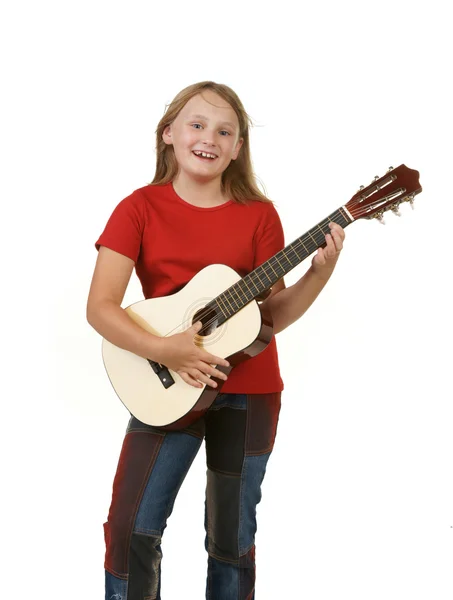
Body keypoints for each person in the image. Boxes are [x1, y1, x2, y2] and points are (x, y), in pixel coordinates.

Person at [87, 80, 345, 600]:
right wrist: (167, 350)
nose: (210, 138)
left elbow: (268, 318)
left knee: (231, 538)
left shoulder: (259, 215)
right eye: (197, 125)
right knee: (129, 528)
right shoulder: (138, 208)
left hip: (249, 393)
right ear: (169, 135)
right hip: (166, 385)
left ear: (238, 147)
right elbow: (100, 308)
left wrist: (318, 275)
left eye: (225, 130)